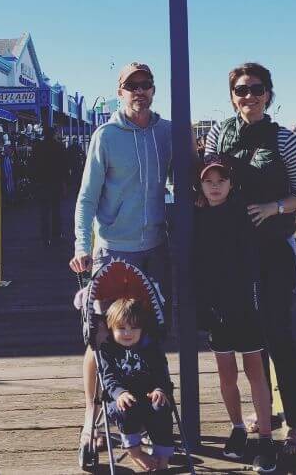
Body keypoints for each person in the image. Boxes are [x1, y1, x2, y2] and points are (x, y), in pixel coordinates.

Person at [204, 62, 296, 457]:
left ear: (268, 93)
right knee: (250, 340)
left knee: (278, 335)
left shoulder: (284, 139)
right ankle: (265, 414)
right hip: (233, 251)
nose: (247, 96)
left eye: (255, 89)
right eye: (240, 90)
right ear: (232, 95)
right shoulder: (220, 132)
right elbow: (208, 179)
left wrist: (273, 207)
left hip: (271, 248)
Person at [69, 62, 174, 459]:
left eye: (146, 85)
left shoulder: (166, 133)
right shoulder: (105, 135)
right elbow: (86, 198)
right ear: (120, 91)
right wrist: (82, 245)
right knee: (101, 340)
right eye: (132, 86)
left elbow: (189, 181)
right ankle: (90, 419)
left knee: (147, 337)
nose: (140, 92)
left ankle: (144, 414)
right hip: (112, 249)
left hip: (155, 249)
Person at [194, 155, 277, 473]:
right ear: (200, 185)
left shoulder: (244, 212)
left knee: (255, 370)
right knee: (226, 373)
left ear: (231, 183)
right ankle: (238, 427)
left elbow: (255, 262)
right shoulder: (198, 216)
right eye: (208, 182)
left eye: (221, 181)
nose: (215, 187)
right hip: (216, 309)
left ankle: (266, 437)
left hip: (245, 305)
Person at [99, 298, 175, 472]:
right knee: (126, 407)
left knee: (162, 407)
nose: (128, 333)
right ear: (111, 327)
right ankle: (135, 451)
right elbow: (108, 378)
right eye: (121, 328)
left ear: (142, 329)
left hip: (149, 396)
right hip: (121, 400)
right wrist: (120, 393)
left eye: (134, 328)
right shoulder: (108, 350)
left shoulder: (150, 347)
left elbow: (161, 373)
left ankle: (162, 460)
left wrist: (159, 389)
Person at [31, 124, 69, 246]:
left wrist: (34, 180)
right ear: (53, 134)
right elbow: (64, 165)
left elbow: (33, 165)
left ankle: (45, 236)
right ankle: (57, 233)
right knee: (56, 209)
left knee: (44, 210)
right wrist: (65, 182)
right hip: (56, 182)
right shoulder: (59, 146)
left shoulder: (37, 147)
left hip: (42, 182)